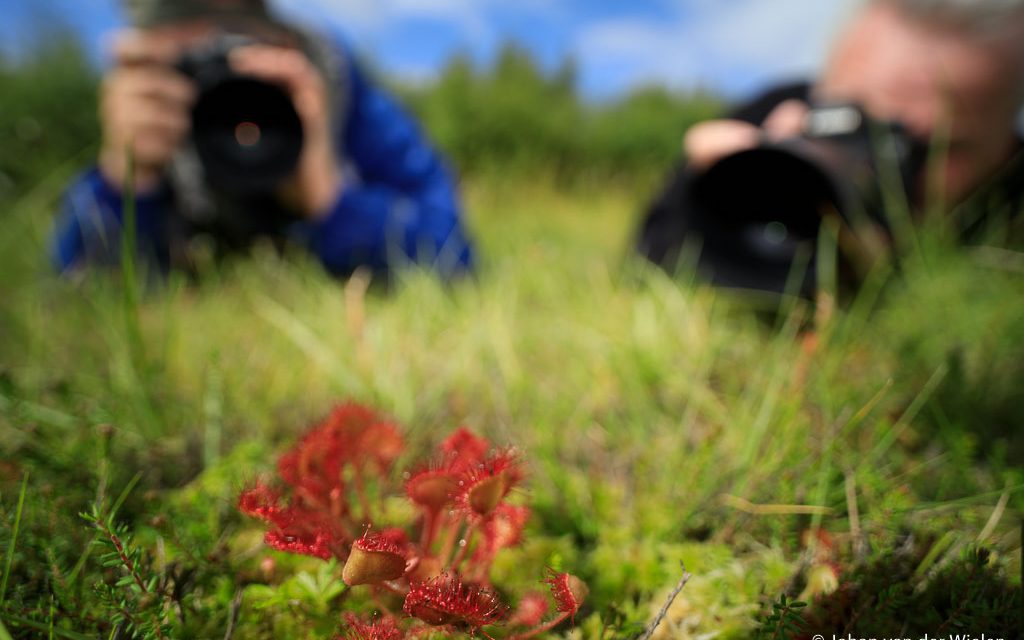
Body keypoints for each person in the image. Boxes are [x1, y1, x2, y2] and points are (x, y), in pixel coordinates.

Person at [51, 0, 473, 279]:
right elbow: (74, 292)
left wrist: (328, 197)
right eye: (196, 40)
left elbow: (457, 252)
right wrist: (130, 182)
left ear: (280, 33)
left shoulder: (328, 75)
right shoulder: (150, 99)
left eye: (241, 30)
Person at [637, 0, 1024, 294]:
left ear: (1006, 145)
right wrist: (723, 194)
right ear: (820, 90)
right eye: (853, 122)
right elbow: (645, 263)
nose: (885, 164)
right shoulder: (774, 112)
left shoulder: (1012, 206)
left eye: (935, 146)